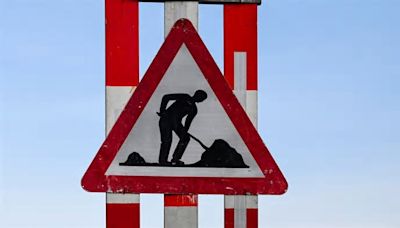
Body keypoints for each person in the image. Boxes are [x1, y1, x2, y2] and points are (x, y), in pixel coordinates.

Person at [157, 90, 207, 166]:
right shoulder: (185, 96)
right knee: (167, 140)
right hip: (166, 119)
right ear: (196, 94)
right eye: (201, 97)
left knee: (185, 138)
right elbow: (166, 97)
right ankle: (163, 161)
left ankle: (175, 159)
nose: (201, 100)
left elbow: (188, 122)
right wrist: (162, 110)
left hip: (176, 123)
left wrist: (185, 131)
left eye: (202, 99)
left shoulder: (194, 109)